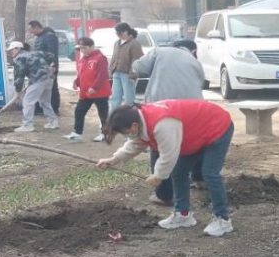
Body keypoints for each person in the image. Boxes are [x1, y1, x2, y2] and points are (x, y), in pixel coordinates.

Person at [99, 100, 235, 237]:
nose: (125, 135)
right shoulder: (140, 122)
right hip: (194, 133)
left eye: (124, 132)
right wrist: (114, 160)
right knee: (179, 171)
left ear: (134, 125)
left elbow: (168, 155)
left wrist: (158, 176)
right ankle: (183, 215)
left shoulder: (162, 124)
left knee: (210, 173)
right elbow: (136, 143)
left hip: (216, 126)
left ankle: (223, 220)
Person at [132, 39, 207, 205]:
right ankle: (200, 179)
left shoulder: (160, 51)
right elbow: (201, 83)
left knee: (158, 147)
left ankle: (164, 194)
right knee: (195, 143)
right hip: (193, 109)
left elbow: (138, 67)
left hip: (161, 107)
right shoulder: (195, 61)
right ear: (193, 51)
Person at [65, 37, 111, 143]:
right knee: (79, 111)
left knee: (103, 113)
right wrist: (76, 82)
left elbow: (102, 75)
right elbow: (81, 74)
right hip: (86, 92)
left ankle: (105, 134)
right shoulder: (82, 59)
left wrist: (94, 87)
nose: (83, 50)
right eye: (81, 48)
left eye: (84, 48)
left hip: (100, 92)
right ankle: (78, 133)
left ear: (92, 46)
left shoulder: (100, 58)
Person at [6, 40, 57, 133]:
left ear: (18, 49)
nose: (10, 52)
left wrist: (18, 91)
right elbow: (51, 55)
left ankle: (27, 125)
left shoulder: (19, 58)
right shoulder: (36, 53)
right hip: (49, 78)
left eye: (11, 50)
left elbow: (19, 77)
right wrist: (49, 66)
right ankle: (53, 122)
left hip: (38, 80)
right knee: (45, 102)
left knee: (27, 102)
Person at [29, 20, 61, 115]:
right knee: (40, 87)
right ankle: (40, 108)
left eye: (31, 29)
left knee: (52, 88)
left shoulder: (50, 36)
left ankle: (54, 109)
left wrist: (53, 65)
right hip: (39, 67)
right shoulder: (39, 37)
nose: (30, 32)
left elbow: (53, 52)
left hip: (49, 67)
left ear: (36, 27)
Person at [109, 23, 144, 110]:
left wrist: (133, 75)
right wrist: (111, 70)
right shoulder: (117, 43)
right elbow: (114, 57)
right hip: (116, 73)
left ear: (126, 32)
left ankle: (130, 115)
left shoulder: (134, 44)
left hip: (128, 75)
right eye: (117, 33)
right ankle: (114, 115)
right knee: (115, 97)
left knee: (129, 99)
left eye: (119, 33)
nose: (118, 35)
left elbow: (136, 60)